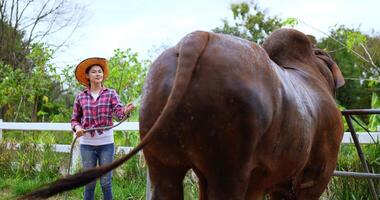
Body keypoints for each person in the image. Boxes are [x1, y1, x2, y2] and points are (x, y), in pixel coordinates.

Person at [71, 57, 134, 200]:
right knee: (89, 183)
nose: (98, 74)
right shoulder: (80, 97)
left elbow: (118, 114)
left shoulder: (111, 94)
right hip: (87, 145)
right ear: (87, 76)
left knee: (106, 183)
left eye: (100, 71)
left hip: (106, 144)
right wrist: (78, 127)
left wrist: (125, 110)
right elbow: (74, 119)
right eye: (94, 72)